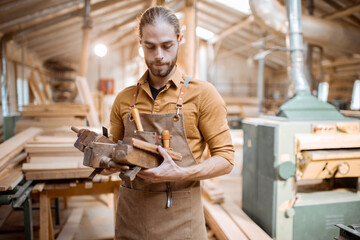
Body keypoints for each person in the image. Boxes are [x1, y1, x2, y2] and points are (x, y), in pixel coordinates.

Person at [108, 6, 234, 240]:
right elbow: (114, 153)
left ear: (179, 39)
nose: (159, 55)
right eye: (150, 46)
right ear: (140, 42)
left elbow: (225, 160)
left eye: (167, 45)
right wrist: (107, 161)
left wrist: (180, 173)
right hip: (131, 220)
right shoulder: (124, 99)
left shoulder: (204, 95)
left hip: (181, 222)